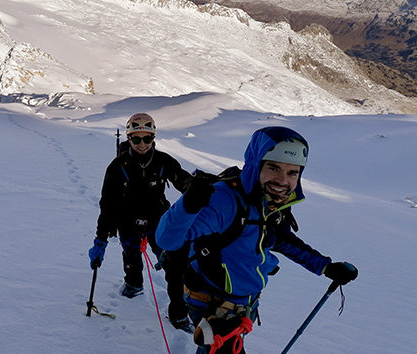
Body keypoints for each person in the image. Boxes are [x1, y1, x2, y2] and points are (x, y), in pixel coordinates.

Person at [155, 126, 358, 353]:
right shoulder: (226, 201)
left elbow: (279, 239)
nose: (283, 180)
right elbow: (167, 240)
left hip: (243, 303)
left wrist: (326, 267)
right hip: (212, 303)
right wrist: (188, 206)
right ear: (256, 164)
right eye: (273, 167)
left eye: (293, 172)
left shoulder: (270, 203)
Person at [88, 113, 193, 331]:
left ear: (153, 137)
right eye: (136, 139)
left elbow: (183, 181)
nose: (142, 144)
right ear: (129, 138)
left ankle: (179, 314)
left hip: (159, 223)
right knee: (132, 255)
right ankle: (134, 285)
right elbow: (107, 205)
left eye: (147, 138)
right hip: (127, 222)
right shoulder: (118, 167)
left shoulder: (164, 161)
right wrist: (100, 239)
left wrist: (197, 187)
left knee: (173, 268)